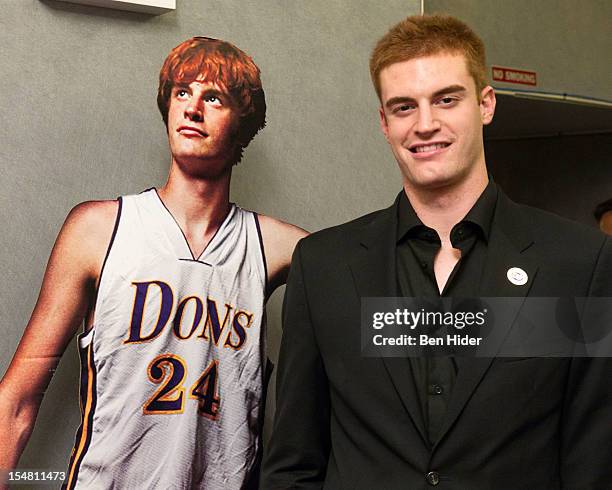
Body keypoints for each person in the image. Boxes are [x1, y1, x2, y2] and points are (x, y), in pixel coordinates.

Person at [262, 15, 612, 489]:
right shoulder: (324, 265)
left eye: (446, 100)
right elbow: (293, 463)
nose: (425, 125)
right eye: (404, 107)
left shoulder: (578, 264)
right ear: (384, 123)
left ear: (485, 104)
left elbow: (592, 462)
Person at [0, 37, 306, 489]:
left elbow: (364, 291)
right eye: (182, 92)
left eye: (213, 97)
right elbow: (17, 400)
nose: (192, 109)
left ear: (243, 121)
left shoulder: (277, 247)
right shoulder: (99, 229)